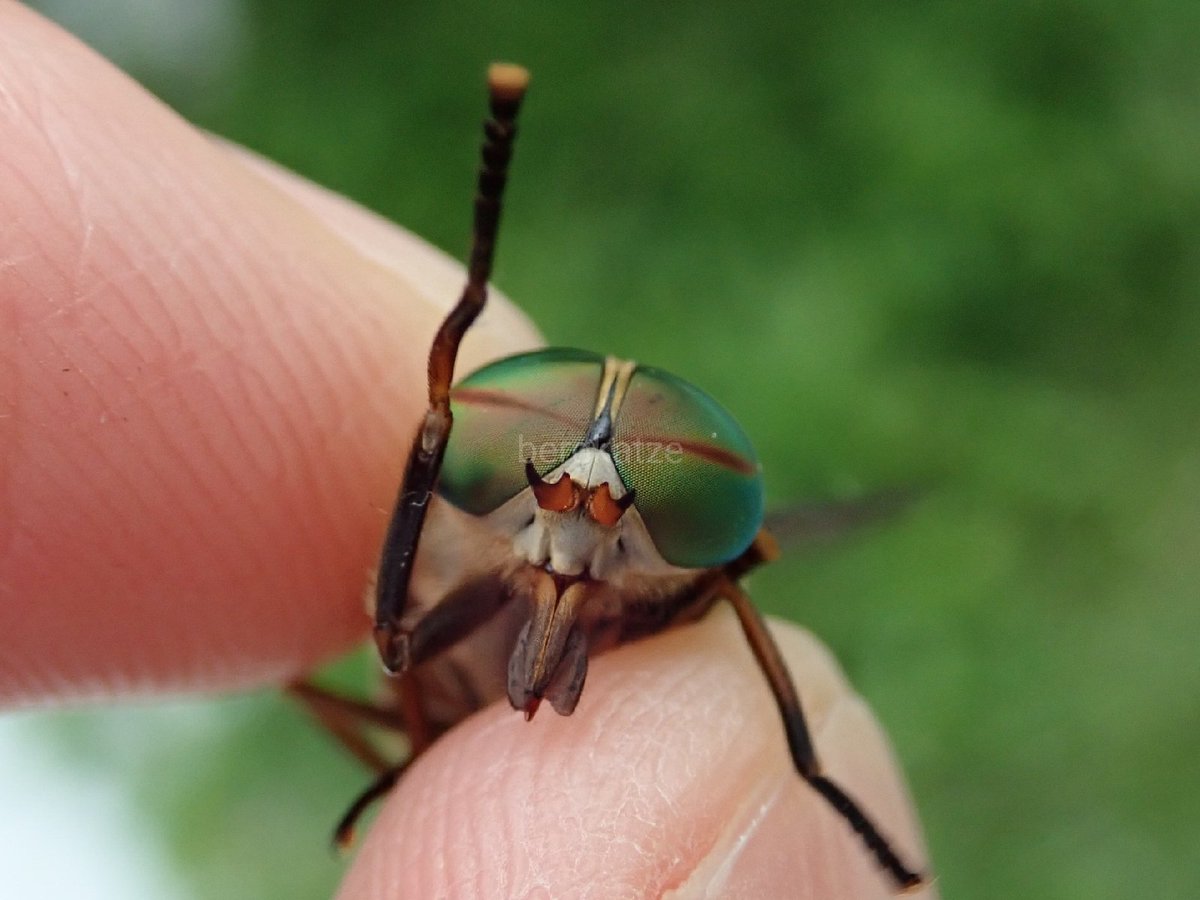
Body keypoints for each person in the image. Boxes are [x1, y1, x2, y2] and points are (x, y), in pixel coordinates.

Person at [0, 5, 932, 896]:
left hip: (506, 718)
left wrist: (806, 773)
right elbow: (395, 644)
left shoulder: (675, 567)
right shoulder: (460, 552)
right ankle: (411, 760)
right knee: (376, 649)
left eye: (636, 498)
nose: (580, 506)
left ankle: (806, 773)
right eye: (540, 476)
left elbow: (724, 565)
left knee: (728, 575)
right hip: (436, 701)